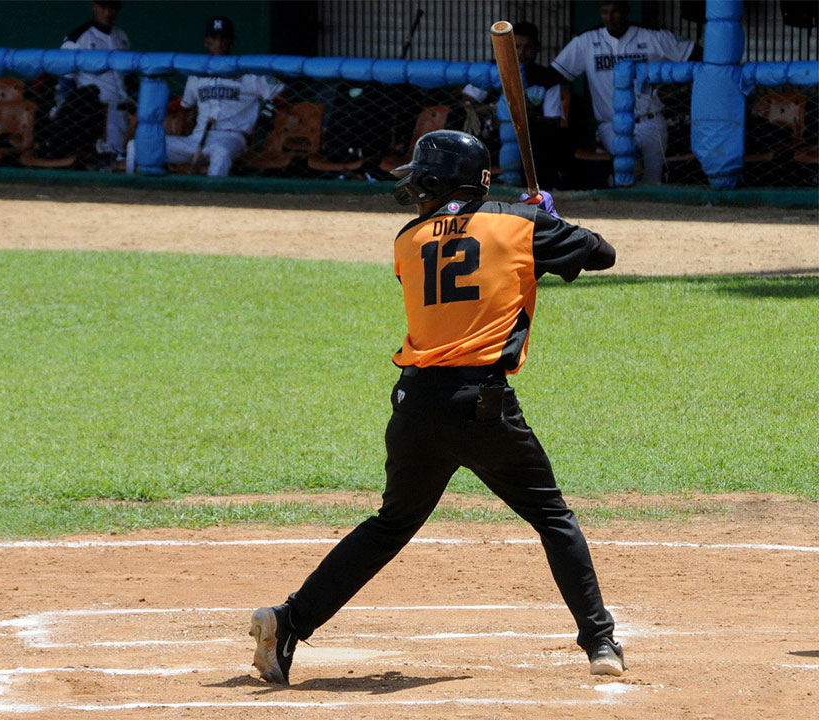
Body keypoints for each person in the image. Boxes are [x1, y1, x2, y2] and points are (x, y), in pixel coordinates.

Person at [249, 130, 624, 686]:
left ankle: (289, 621)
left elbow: (469, 258)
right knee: (552, 517)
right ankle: (600, 641)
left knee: (391, 524)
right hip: (480, 408)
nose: (415, 195)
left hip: (415, 405)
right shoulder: (519, 223)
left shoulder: (408, 239)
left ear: (437, 183)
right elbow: (602, 254)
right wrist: (550, 218)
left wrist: (528, 220)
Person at [550, 0, 698, 185]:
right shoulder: (585, 41)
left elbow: (696, 56)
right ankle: (617, 198)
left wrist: (673, 87)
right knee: (630, 166)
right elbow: (554, 75)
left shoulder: (652, 36)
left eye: (615, 11)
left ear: (626, 12)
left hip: (650, 119)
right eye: (604, 11)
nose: (610, 17)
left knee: (654, 179)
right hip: (612, 124)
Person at [125, 16, 285, 177]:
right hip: (197, 138)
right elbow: (184, 104)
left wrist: (270, 108)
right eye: (214, 38)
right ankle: (132, 189)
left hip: (232, 137)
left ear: (232, 41)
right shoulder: (196, 76)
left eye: (224, 38)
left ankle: (210, 196)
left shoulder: (250, 72)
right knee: (137, 145)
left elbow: (281, 92)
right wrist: (149, 111)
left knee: (221, 152)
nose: (219, 42)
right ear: (206, 41)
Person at [458, 22, 570, 189]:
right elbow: (467, 99)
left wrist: (524, 116)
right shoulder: (490, 71)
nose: (521, 53)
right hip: (490, 139)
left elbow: (553, 121)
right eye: (515, 46)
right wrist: (491, 110)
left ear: (537, 47)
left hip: (528, 142)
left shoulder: (547, 78)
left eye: (527, 47)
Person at [36, 0, 131, 165]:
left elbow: (129, 77)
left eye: (112, 8)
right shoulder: (78, 37)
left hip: (123, 109)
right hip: (96, 110)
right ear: (94, 6)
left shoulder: (121, 36)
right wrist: (64, 111)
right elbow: (66, 81)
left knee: (122, 158)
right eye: (103, 7)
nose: (107, 13)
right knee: (104, 157)